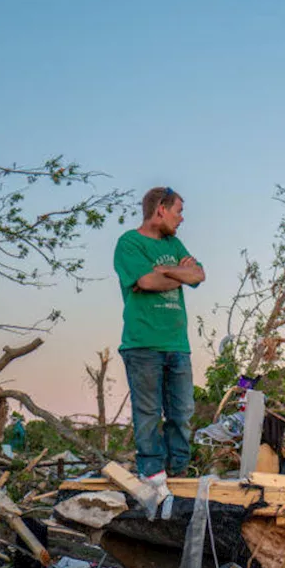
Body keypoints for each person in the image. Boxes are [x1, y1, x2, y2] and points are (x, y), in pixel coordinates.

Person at [114, 187, 205, 477]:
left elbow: (198, 275)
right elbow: (146, 282)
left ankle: (178, 473)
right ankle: (153, 476)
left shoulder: (174, 245)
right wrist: (178, 274)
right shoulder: (129, 242)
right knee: (149, 415)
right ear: (161, 209)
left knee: (181, 415)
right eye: (178, 212)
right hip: (143, 345)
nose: (180, 219)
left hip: (178, 345)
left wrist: (164, 272)